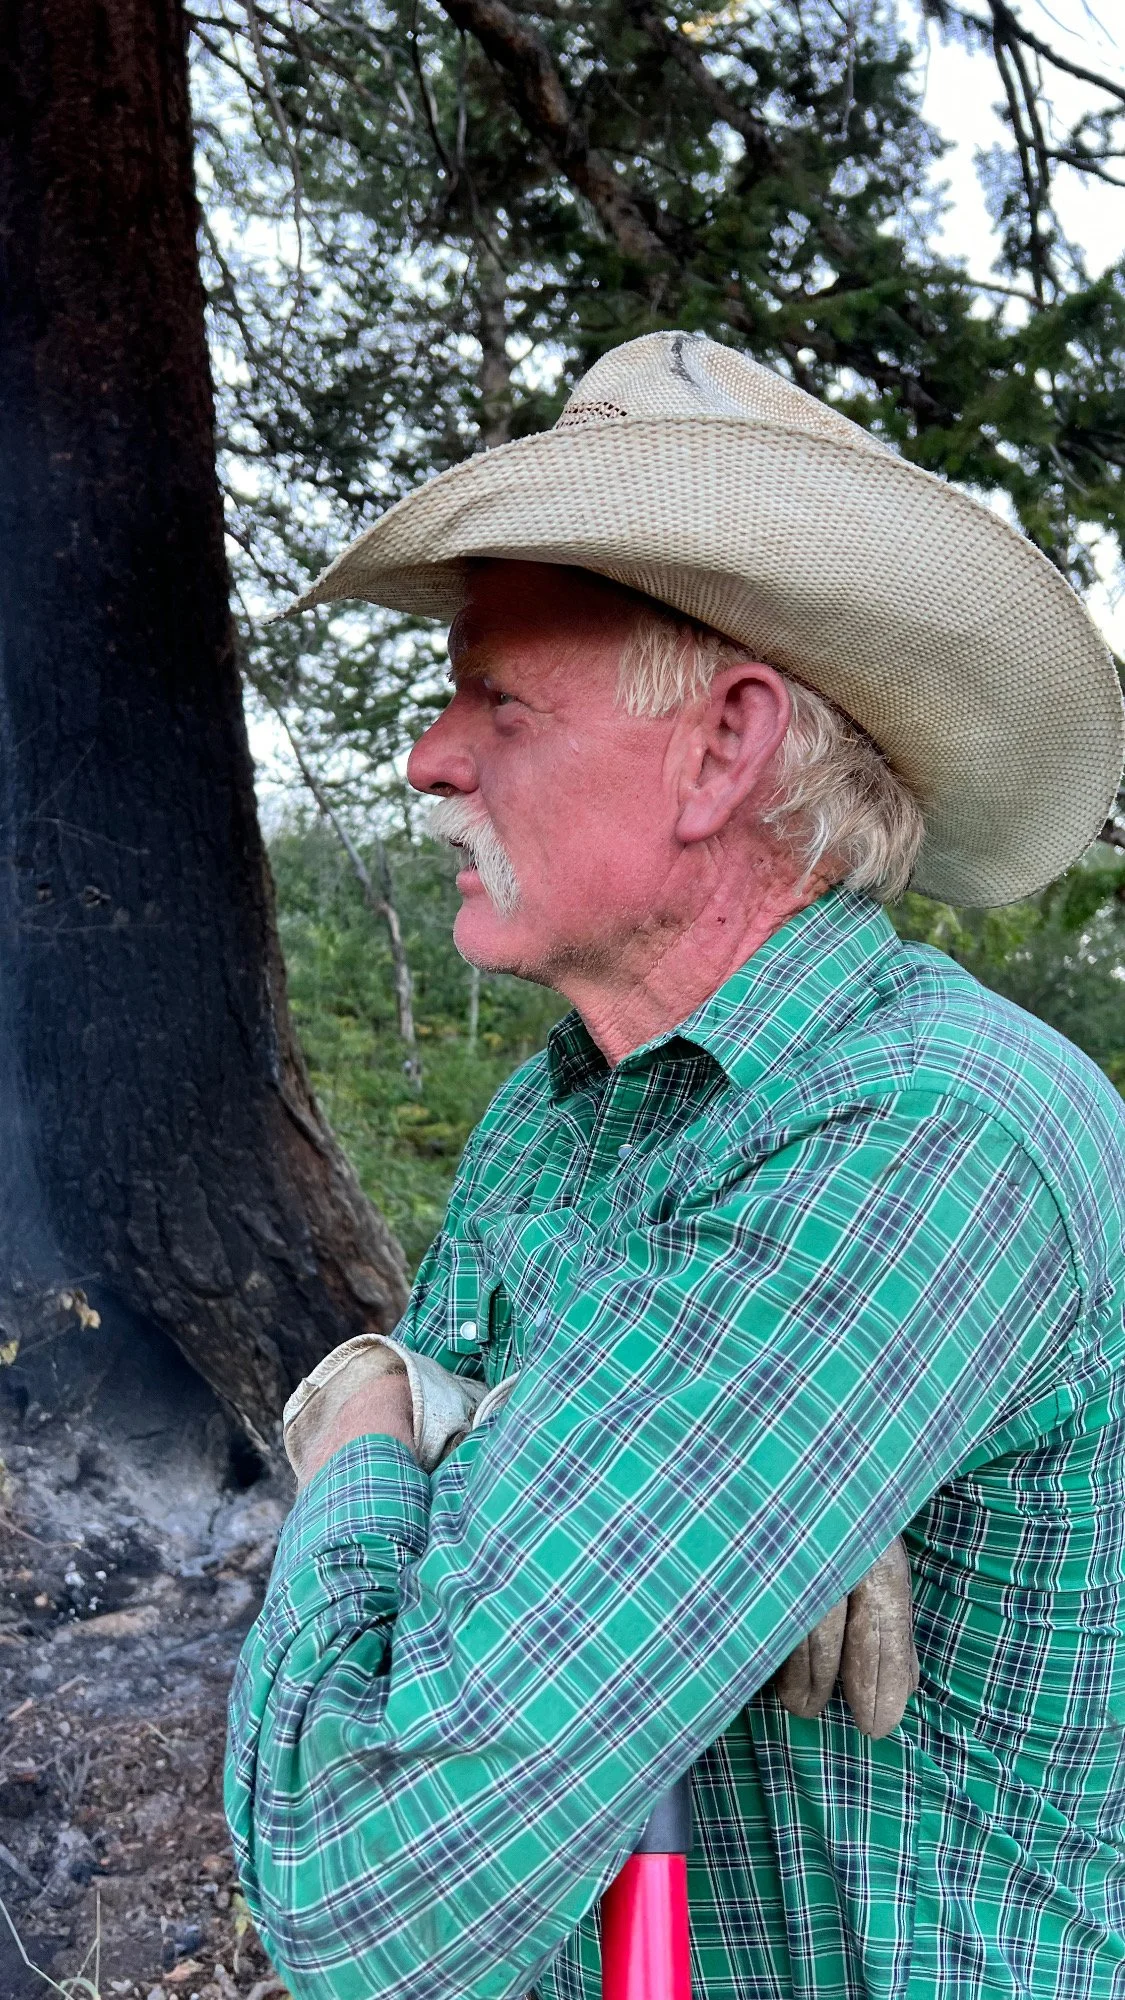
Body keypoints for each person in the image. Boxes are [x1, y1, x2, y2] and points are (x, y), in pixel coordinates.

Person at [226, 332, 1125, 2000]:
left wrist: (370, 1418)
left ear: (723, 746)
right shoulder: (561, 1116)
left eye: (496, 697)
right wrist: (729, 1492)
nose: (429, 756)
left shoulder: (932, 1137)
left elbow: (364, 1900)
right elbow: (467, 1531)